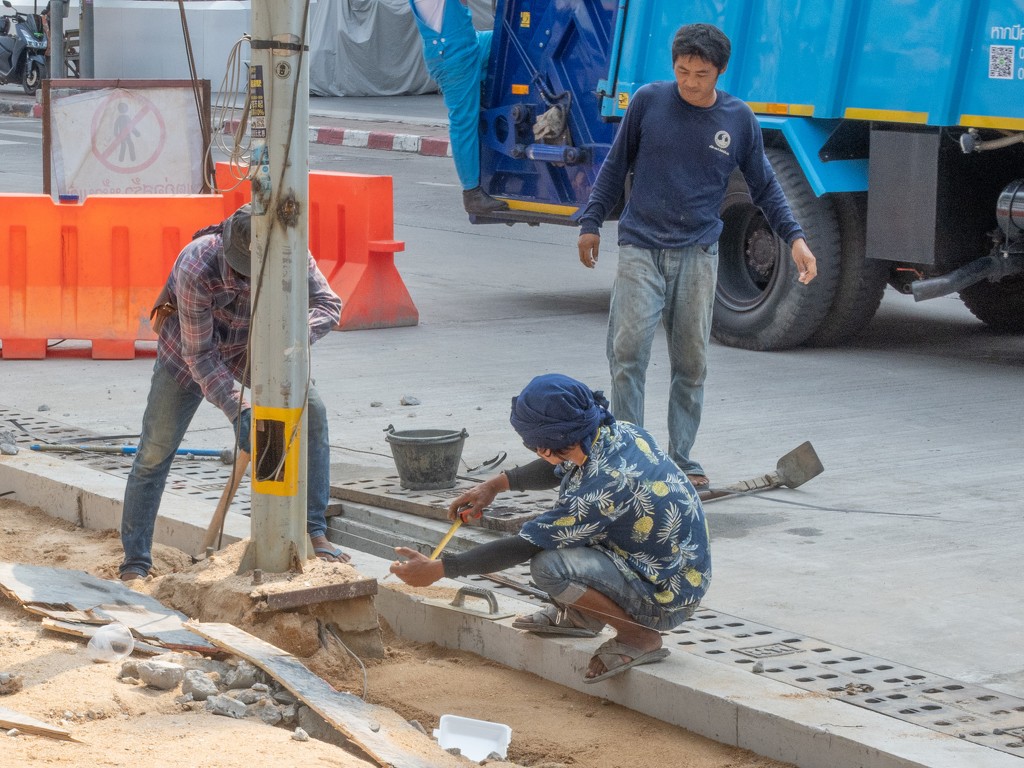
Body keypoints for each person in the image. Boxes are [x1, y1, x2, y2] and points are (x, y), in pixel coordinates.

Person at [576, 24, 818, 491]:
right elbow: (615, 163)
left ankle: (682, 457)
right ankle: (632, 455)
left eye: (700, 74)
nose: (689, 82)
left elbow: (765, 185)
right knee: (628, 354)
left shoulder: (738, 119)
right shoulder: (648, 101)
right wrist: (591, 221)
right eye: (682, 71)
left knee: (691, 361)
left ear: (720, 72)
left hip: (698, 254)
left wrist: (795, 238)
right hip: (640, 249)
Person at [389, 374, 711, 683]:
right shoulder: (612, 432)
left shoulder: (599, 489)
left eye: (535, 446)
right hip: (677, 571)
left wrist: (441, 569)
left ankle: (638, 635)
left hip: (665, 597)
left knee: (549, 567)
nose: (537, 452)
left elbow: (526, 545)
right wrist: (496, 485)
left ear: (545, 447)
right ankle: (583, 616)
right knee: (565, 544)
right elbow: (560, 464)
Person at [119, 205, 350, 581]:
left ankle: (313, 530)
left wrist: (291, 339)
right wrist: (240, 411)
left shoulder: (290, 250)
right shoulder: (198, 264)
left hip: (259, 351)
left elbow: (328, 304)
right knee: (154, 451)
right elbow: (202, 357)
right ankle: (135, 561)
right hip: (188, 356)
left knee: (314, 415)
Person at [408, 0, 508, 214]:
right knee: (463, 122)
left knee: (509, 39)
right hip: (453, 58)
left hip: (469, 45)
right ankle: (472, 193)